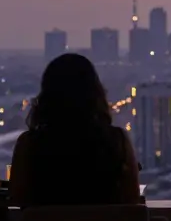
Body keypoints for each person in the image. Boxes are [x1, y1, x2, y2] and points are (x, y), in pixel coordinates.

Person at [9, 53, 141, 207]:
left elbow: (17, 197)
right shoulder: (118, 142)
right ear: (95, 95)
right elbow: (132, 199)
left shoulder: (29, 145)